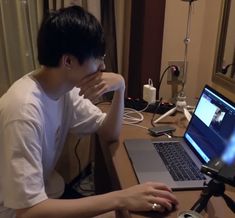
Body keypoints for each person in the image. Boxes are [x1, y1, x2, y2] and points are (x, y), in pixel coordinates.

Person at [0, 5, 178, 218]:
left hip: (48, 193)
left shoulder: (64, 90)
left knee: (127, 210)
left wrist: (120, 87)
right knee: (123, 210)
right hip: (18, 211)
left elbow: (108, 132)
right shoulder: (24, 110)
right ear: (68, 61)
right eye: (98, 58)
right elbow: (27, 211)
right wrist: (121, 197)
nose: (102, 66)